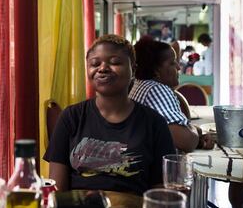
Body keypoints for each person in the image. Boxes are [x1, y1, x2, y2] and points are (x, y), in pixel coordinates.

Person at [44, 35, 176, 197]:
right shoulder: (71, 117)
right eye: (94, 63)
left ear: (133, 70)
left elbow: (161, 190)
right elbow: (57, 189)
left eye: (115, 62)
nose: (103, 68)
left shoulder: (154, 122)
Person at [129, 38, 214, 153]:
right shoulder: (157, 91)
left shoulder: (140, 84)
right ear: (156, 71)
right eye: (172, 63)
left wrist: (195, 133)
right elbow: (187, 141)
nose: (179, 67)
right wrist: (194, 131)